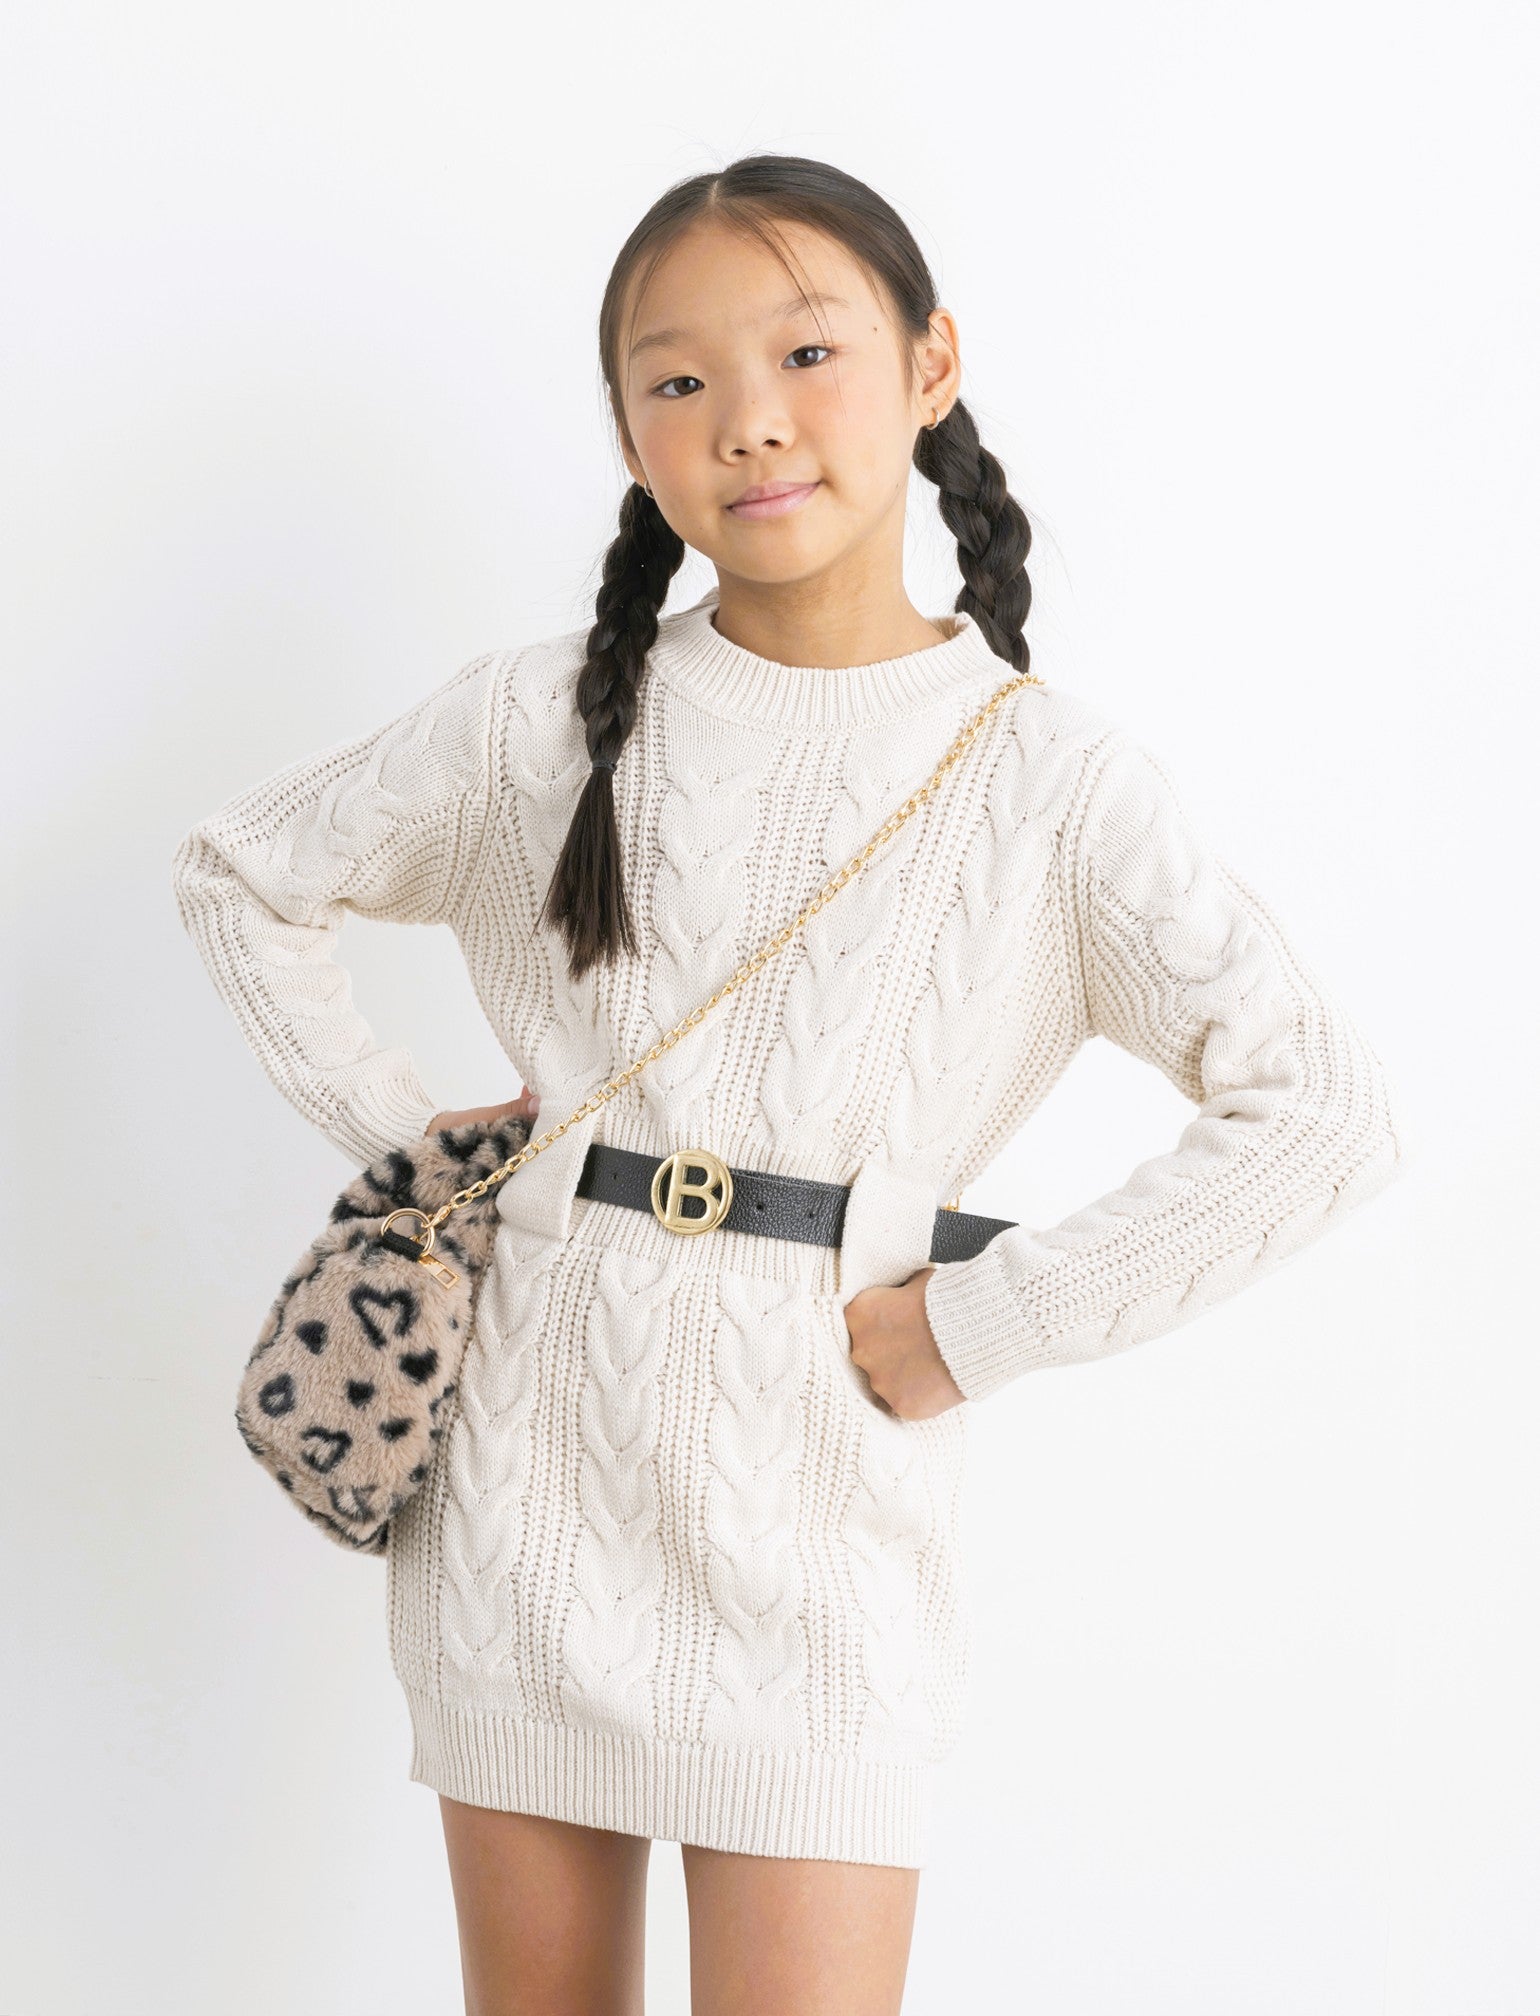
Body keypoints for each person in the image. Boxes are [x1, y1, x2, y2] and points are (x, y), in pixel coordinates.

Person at [170, 153, 1411, 2016]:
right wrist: (402, 1130)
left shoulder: (1054, 788)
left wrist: (984, 1325)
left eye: (808, 352)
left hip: (828, 1524)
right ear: (630, 435)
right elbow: (242, 874)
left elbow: (1322, 1114)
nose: (747, 418)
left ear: (931, 367)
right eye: (678, 379)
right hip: (527, 1491)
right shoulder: (539, 721)